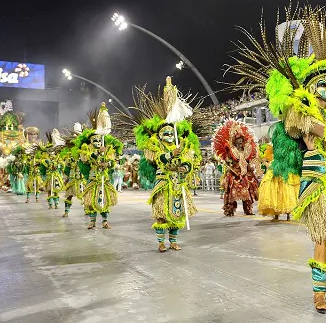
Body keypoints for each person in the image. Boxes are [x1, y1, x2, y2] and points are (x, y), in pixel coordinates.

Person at [225, 3, 326, 314]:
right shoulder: (301, 114)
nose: (325, 88)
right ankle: (318, 294)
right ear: (309, 88)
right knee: (323, 237)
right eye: (319, 84)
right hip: (317, 183)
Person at [119, 77, 200, 252]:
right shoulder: (155, 146)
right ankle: (161, 243)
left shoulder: (182, 145)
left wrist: (183, 166)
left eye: (171, 132)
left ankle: (173, 242)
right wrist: (172, 154)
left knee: (176, 214)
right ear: (160, 135)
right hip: (163, 184)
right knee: (161, 215)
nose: (169, 135)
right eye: (166, 132)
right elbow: (159, 159)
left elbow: (188, 163)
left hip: (178, 185)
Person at [77, 103, 122, 229]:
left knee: (105, 200)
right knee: (91, 201)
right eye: (94, 140)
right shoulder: (87, 150)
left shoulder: (108, 149)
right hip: (92, 179)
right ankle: (92, 222)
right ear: (90, 142)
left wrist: (106, 162)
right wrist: (98, 155)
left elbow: (112, 162)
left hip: (104, 179)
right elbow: (86, 158)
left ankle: (105, 221)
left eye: (98, 140)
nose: (97, 142)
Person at [213, 120, 260, 216]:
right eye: (238, 142)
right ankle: (229, 210)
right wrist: (231, 168)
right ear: (234, 142)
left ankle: (248, 210)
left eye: (241, 141)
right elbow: (227, 162)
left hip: (245, 174)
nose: (240, 143)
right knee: (232, 194)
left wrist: (250, 168)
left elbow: (248, 161)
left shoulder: (246, 150)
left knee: (247, 193)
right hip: (234, 174)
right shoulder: (231, 151)